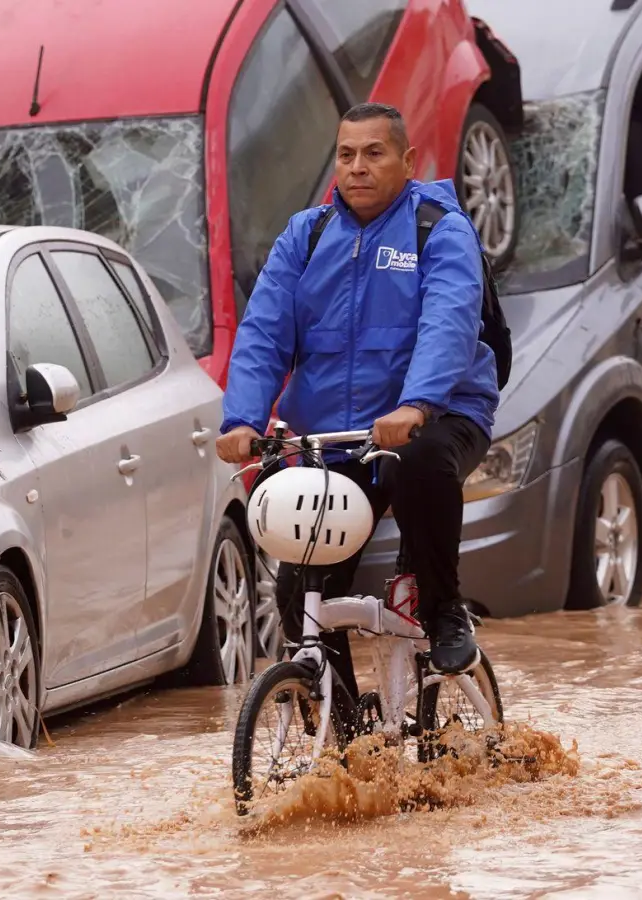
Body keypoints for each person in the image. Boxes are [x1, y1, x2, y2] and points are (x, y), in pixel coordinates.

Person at [216, 101, 499, 688]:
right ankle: (345, 741)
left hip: (438, 417)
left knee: (420, 460)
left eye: (374, 153)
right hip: (336, 439)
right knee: (301, 594)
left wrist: (416, 405)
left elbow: (447, 322)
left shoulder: (438, 228)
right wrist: (242, 419)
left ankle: (445, 612)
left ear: (407, 159)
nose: (358, 167)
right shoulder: (306, 234)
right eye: (347, 154)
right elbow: (265, 330)